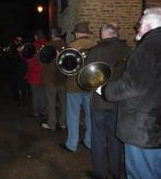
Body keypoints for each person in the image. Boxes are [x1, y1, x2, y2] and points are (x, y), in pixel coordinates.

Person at [100, 7, 161, 179]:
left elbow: (133, 85)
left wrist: (106, 90)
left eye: (140, 24)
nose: (137, 29)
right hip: (156, 126)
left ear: (148, 26)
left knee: (141, 174)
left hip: (142, 130)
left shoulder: (147, 48)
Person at [85, 23, 131, 179]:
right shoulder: (128, 50)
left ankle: (99, 173)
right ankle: (115, 172)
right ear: (116, 34)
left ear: (103, 34)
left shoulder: (97, 50)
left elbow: (87, 77)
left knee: (98, 137)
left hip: (100, 100)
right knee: (114, 137)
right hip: (120, 100)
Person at [61, 21, 96, 152]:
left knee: (73, 116)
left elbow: (63, 68)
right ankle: (89, 141)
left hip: (74, 85)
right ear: (87, 33)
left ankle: (71, 144)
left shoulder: (71, 46)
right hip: (90, 85)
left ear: (76, 33)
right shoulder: (96, 46)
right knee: (90, 116)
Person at [40, 27, 67, 131]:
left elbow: (41, 61)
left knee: (51, 102)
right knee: (63, 101)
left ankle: (52, 124)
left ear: (52, 34)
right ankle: (63, 123)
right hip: (63, 77)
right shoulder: (66, 45)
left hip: (50, 78)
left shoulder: (48, 45)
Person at [22, 29, 47, 118]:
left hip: (34, 73)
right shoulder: (47, 45)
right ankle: (43, 111)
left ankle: (35, 112)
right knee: (43, 93)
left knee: (35, 93)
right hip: (44, 73)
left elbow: (28, 59)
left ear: (36, 36)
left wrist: (20, 52)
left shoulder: (34, 46)